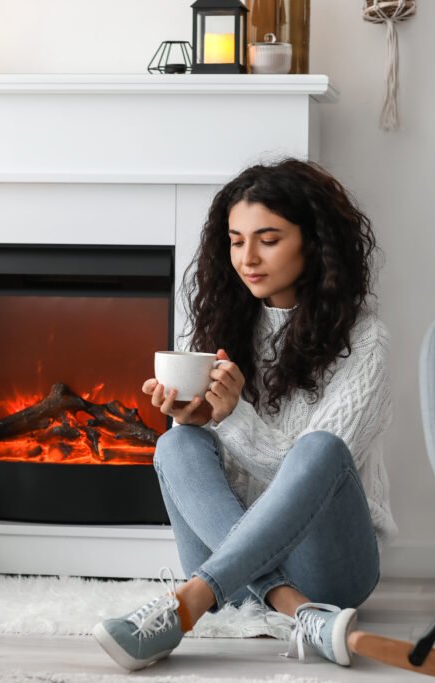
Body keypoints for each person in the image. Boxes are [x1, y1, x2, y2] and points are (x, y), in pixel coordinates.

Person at [92, 158, 397, 671]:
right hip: (235, 563)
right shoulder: (221, 326)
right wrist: (192, 417)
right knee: (176, 444)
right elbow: (203, 461)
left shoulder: (367, 342)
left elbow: (310, 480)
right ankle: (295, 610)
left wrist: (232, 416)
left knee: (320, 447)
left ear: (315, 242)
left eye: (268, 239)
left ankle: (188, 603)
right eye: (236, 240)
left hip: (330, 567)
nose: (247, 258)